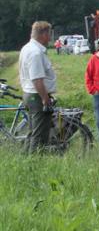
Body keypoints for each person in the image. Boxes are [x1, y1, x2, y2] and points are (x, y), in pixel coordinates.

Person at [19, 21, 58, 153]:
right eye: (49, 34)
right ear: (43, 34)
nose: (50, 38)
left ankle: (26, 159)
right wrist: (45, 98)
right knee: (39, 134)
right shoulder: (35, 53)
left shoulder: (27, 48)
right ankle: (35, 162)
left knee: (32, 131)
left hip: (30, 94)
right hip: (37, 96)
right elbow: (37, 79)